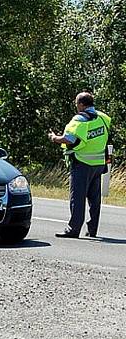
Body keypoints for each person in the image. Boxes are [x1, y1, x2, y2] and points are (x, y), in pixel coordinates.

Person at [49, 92, 111, 238]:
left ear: (81, 105)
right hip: (98, 164)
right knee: (94, 200)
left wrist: (54, 138)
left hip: (82, 163)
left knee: (77, 198)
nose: (76, 107)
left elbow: (69, 139)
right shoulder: (102, 118)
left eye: (77, 104)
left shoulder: (80, 119)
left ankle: (73, 229)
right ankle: (92, 230)